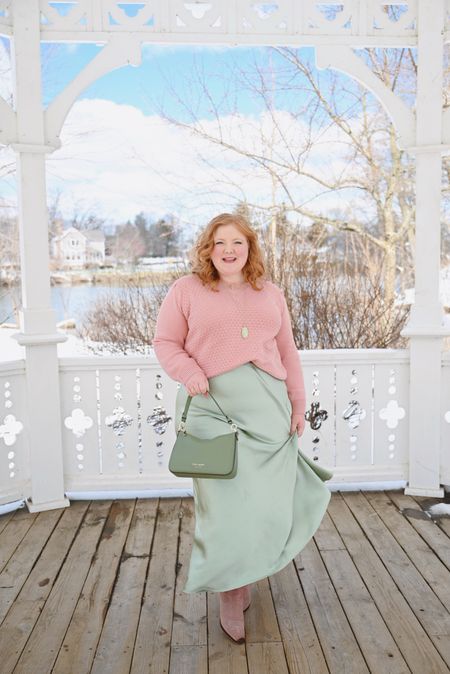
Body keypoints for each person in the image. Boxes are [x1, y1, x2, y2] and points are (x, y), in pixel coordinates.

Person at [152, 212, 333, 644]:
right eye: (219, 243)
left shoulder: (269, 292)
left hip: (267, 414)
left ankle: (247, 571)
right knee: (225, 510)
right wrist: (188, 370)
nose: (229, 250)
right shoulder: (187, 290)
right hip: (211, 412)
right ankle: (231, 593)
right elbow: (165, 343)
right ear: (207, 250)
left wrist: (297, 402)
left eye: (237, 242)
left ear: (249, 248)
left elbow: (287, 351)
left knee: (264, 505)